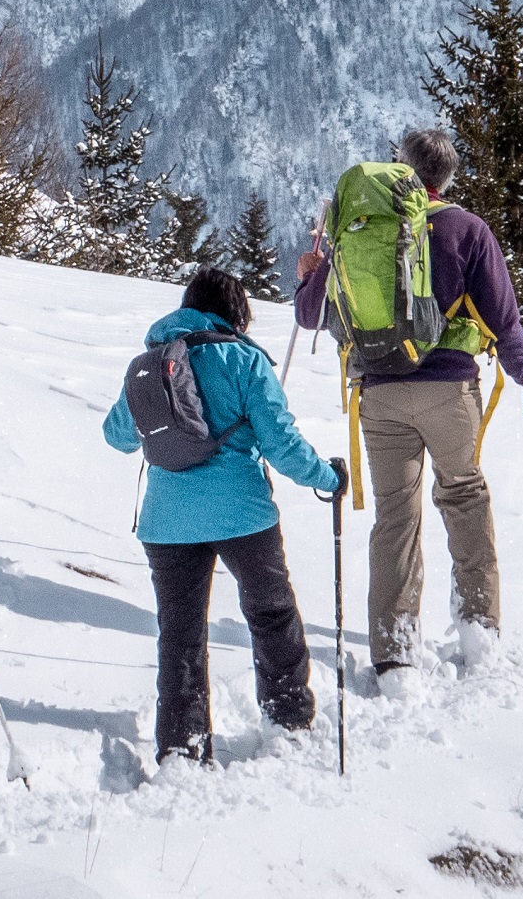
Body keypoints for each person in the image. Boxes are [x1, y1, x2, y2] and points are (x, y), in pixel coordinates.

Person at [295, 127, 523, 674]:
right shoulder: (467, 229)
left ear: (402, 168)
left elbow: (308, 315)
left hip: (379, 394)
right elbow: (504, 323)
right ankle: (479, 634)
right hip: (449, 391)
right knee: (463, 497)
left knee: (395, 519)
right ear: (448, 177)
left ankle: (394, 655)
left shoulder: (360, 227)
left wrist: (308, 279)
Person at [103, 264, 345, 763]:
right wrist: (329, 478)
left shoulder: (151, 362)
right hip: (242, 516)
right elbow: (281, 444)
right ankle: (288, 719)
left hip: (166, 522)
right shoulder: (245, 361)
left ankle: (183, 747)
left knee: (180, 631)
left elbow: (117, 435)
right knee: (272, 612)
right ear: (238, 314)